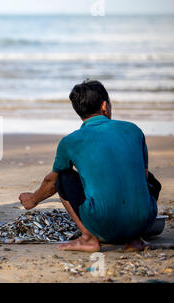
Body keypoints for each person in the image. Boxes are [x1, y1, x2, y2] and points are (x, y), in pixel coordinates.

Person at [19, 80, 161, 252]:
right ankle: (135, 239)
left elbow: (51, 183)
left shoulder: (70, 141)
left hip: (102, 223)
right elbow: (143, 177)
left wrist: (32, 200)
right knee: (147, 178)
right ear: (104, 106)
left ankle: (88, 238)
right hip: (143, 222)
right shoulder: (134, 130)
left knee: (63, 177)